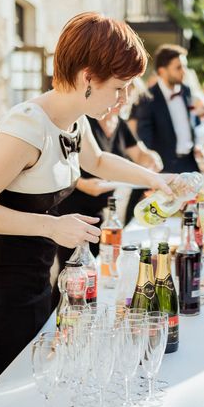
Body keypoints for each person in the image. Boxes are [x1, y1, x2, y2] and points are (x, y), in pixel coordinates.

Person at [0, 12, 172, 392]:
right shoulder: (26, 127)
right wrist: (52, 227)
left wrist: (156, 179)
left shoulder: (74, 119)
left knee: (39, 388)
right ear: (88, 77)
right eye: (120, 88)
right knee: (8, 402)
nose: (123, 101)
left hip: (38, 280)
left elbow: (99, 161)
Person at [52, 106, 163, 308]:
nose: (123, 99)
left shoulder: (120, 124)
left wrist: (151, 158)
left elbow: (140, 154)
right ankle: (58, 316)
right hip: (73, 208)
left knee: (95, 270)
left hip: (102, 211)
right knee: (71, 273)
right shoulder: (86, 120)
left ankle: (88, 312)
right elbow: (59, 165)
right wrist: (84, 184)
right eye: (119, 89)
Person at [135, 44, 201, 174]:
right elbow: (145, 137)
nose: (184, 71)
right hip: (165, 168)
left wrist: (196, 144)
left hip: (190, 163)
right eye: (178, 67)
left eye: (185, 66)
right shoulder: (147, 98)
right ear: (162, 71)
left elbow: (189, 123)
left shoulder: (186, 91)